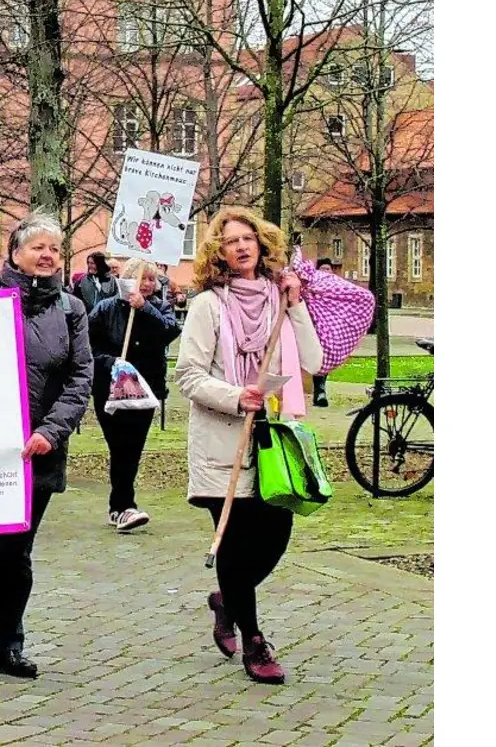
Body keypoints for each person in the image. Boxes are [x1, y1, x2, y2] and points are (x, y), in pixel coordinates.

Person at [175, 207, 322, 686]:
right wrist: (238, 396)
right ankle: (255, 640)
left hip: (273, 442)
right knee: (236, 547)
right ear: (217, 253)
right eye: (229, 241)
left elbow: (315, 361)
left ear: (262, 244)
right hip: (224, 444)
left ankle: (228, 600)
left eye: (248, 238)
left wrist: (296, 305)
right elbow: (188, 376)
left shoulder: (281, 300)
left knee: (275, 537)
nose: (241, 247)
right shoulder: (207, 306)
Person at [0, 212, 93, 680]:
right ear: (14, 253)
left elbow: (80, 377)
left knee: (18, 551)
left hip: (39, 450)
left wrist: (51, 432)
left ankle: (9, 644)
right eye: (37, 247)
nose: (47, 255)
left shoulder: (72, 310)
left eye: (54, 248)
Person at [88, 258, 180, 532]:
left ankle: (123, 506)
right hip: (110, 388)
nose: (147, 284)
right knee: (119, 446)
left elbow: (169, 331)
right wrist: (110, 363)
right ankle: (121, 505)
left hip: (145, 389)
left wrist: (145, 309)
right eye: (141, 278)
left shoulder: (160, 308)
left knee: (132, 447)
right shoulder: (105, 310)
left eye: (151, 279)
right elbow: (88, 348)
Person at [309, 258, 336, 407]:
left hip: (329, 330)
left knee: (324, 359)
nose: (325, 272)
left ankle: (320, 390)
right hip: (313, 328)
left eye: (328, 269)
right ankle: (319, 391)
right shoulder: (312, 286)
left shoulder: (336, 288)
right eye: (323, 269)